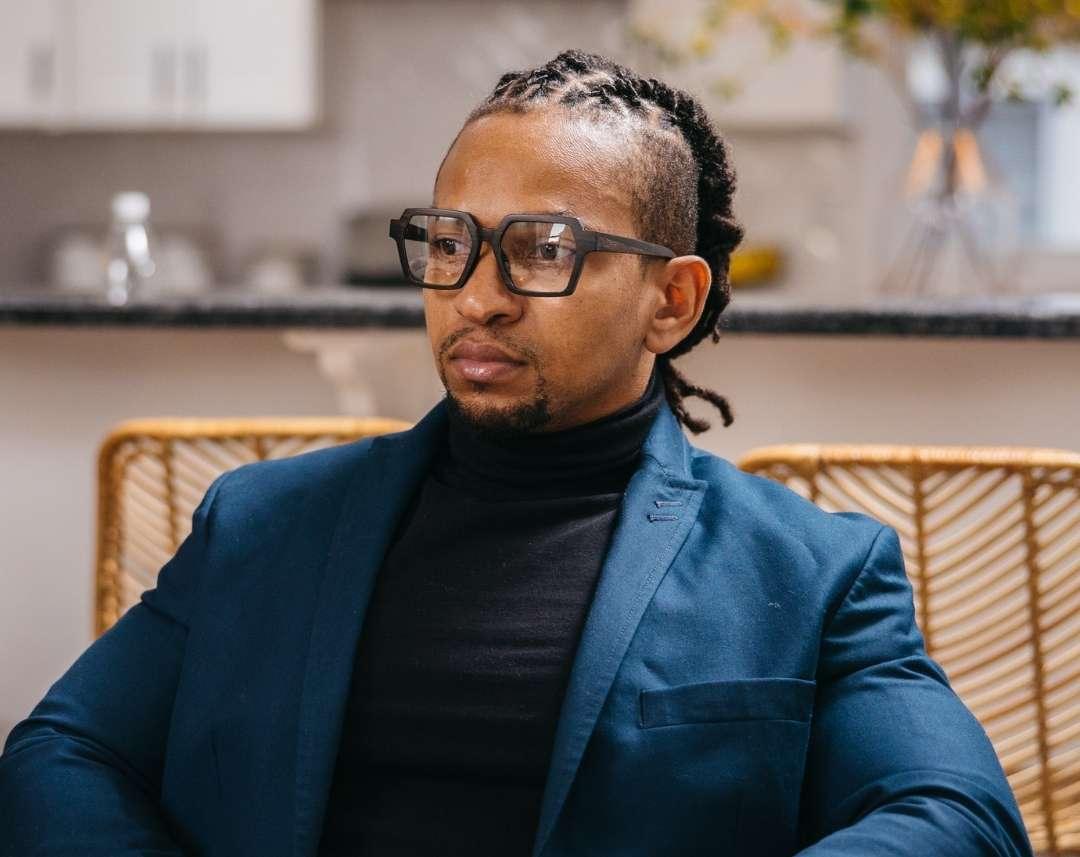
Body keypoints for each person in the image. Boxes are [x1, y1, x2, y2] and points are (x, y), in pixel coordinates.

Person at [0, 49, 1031, 857]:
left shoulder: (810, 572)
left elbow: (956, 813)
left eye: (543, 249)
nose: (475, 295)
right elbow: (61, 750)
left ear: (670, 302)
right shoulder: (263, 522)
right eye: (450, 241)